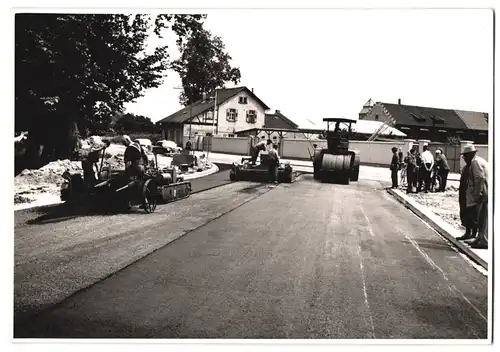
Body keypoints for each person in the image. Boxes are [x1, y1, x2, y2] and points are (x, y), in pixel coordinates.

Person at [462, 144, 488, 249]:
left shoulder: (475, 162)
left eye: (465, 155)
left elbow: (480, 178)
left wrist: (478, 193)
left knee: (483, 217)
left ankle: (484, 240)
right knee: (482, 217)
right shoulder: (479, 160)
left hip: (484, 192)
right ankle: (479, 238)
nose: (464, 158)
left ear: (470, 155)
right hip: (486, 191)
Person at [456, 163, 474, 241]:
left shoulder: (473, 166)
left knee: (470, 213)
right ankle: (467, 232)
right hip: (463, 192)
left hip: (469, 194)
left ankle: (472, 234)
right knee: (464, 212)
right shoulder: (465, 167)